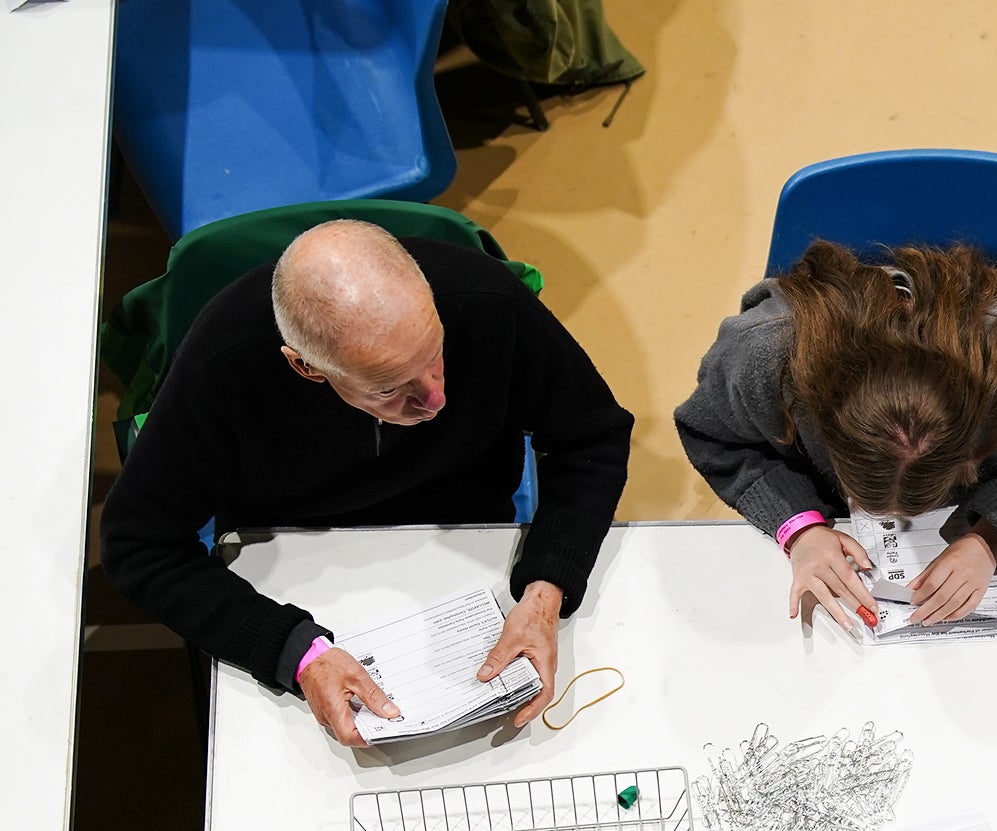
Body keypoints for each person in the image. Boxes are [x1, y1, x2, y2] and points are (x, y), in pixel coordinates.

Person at [100, 219, 633, 748]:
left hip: (467, 536)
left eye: (435, 358)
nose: (435, 400)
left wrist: (546, 589)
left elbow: (591, 437)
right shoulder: (221, 366)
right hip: (292, 558)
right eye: (389, 389)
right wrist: (293, 653)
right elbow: (139, 544)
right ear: (308, 370)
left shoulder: (486, 300)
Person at [674, 241, 997, 632]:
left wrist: (993, 536)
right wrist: (801, 526)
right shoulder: (763, 360)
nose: (896, 519)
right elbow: (714, 436)